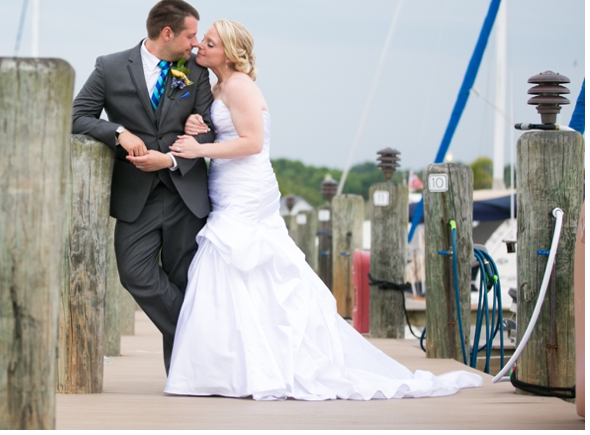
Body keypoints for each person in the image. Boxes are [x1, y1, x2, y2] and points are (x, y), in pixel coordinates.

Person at [164, 20, 483, 400]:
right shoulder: (216, 86)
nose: (200, 46)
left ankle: (263, 364)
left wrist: (199, 150)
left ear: (230, 54)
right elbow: (223, 129)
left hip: (247, 187)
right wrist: (197, 125)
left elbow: (251, 143)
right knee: (232, 268)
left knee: (242, 258)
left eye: (210, 43)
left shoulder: (240, 87)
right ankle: (233, 366)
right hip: (226, 185)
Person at [72, 0, 216, 373]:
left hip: (186, 192)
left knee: (181, 280)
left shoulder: (195, 72)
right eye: (190, 35)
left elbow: (212, 131)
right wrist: (117, 132)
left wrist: (171, 156)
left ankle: (185, 376)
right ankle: (204, 339)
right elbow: (77, 116)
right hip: (137, 195)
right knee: (134, 272)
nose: (195, 44)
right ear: (167, 33)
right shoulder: (110, 67)